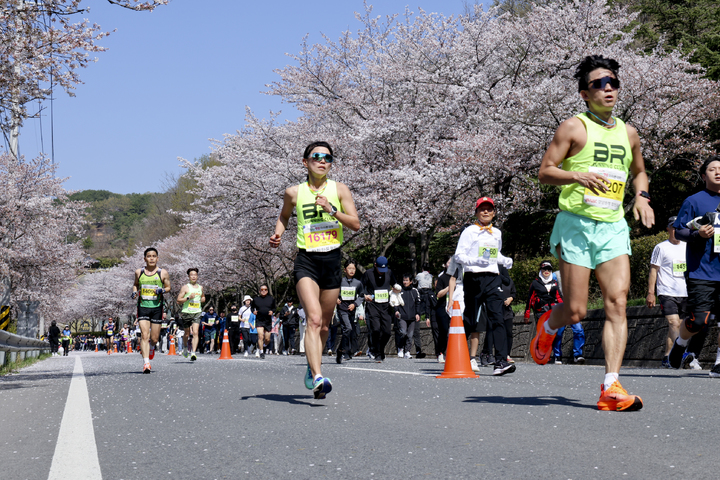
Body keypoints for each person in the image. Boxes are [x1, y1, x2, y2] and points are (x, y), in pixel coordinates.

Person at [534, 55, 654, 410]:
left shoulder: (628, 132)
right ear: (584, 93)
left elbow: (639, 172)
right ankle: (548, 326)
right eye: (600, 84)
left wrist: (642, 198)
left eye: (613, 82)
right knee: (575, 311)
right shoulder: (572, 128)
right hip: (576, 226)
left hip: (613, 227)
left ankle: (610, 386)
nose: (608, 89)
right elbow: (545, 171)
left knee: (617, 302)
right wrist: (577, 176)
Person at [269, 140, 360, 399]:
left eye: (328, 158)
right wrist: (277, 234)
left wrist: (332, 211)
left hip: (332, 260)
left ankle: (312, 366)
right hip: (306, 260)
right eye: (317, 156)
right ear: (305, 161)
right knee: (314, 319)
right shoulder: (294, 192)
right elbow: (284, 216)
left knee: (324, 326)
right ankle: (319, 376)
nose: (322, 161)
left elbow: (355, 224)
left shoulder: (340, 189)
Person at [668, 156, 720, 377]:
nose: (718, 172)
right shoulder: (694, 200)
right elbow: (679, 231)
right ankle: (680, 343)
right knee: (699, 320)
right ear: (703, 175)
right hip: (702, 270)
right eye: (712, 169)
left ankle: (719, 363)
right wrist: (698, 234)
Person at [453, 196, 515, 376]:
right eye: (482, 209)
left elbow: (496, 255)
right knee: (470, 320)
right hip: (473, 278)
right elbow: (459, 256)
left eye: (489, 209)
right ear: (476, 212)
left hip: (493, 278)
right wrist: (475, 261)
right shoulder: (469, 231)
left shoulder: (497, 233)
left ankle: (501, 361)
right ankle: (457, 355)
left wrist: (505, 260)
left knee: (498, 318)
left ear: (494, 213)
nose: (486, 212)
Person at [647, 216, 696, 368]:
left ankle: (667, 357)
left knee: (679, 326)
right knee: (673, 323)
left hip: (685, 292)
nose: (675, 230)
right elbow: (654, 270)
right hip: (667, 291)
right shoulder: (661, 248)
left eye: (678, 227)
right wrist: (651, 292)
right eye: (672, 227)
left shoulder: (688, 246)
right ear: (668, 229)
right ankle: (682, 354)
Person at [524, 260, 585, 364]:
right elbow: (530, 298)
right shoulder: (554, 276)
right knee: (556, 333)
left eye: (548, 269)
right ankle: (553, 356)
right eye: (545, 269)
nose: (547, 271)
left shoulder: (581, 274)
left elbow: (560, 295)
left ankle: (578, 355)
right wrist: (527, 313)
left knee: (578, 330)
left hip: (569, 308)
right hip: (546, 310)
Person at [132, 247, 171, 373]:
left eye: (154, 256)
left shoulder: (162, 273)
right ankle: (146, 363)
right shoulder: (139, 272)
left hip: (157, 308)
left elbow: (168, 287)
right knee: (144, 335)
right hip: (143, 307)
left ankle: (152, 348)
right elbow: (135, 284)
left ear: (157, 258)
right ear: (145, 259)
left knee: (154, 339)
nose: (151, 258)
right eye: (149, 256)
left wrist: (162, 290)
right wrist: (134, 292)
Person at [362, 256, 397, 363]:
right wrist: (364, 296)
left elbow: (395, 285)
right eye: (380, 270)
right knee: (376, 329)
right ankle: (377, 352)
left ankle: (381, 349)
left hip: (385, 306)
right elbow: (360, 287)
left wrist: (396, 289)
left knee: (387, 332)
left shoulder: (389, 273)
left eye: (384, 270)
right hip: (373, 305)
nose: (382, 272)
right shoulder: (368, 274)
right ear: (375, 265)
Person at [336, 261, 363, 364]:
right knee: (348, 328)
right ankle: (344, 351)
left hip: (351, 310)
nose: (352, 270)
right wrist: (335, 299)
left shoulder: (358, 283)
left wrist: (355, 304)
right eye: (350, 268)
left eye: (354, 268)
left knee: (349, 331)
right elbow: (333, 291)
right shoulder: (340, 281)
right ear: (345, 270)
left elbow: (361, 295)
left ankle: (343, 351)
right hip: (342, 309)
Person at [176, 268, 205, 361]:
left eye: (195, 275)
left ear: (197, 276)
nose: (193, 276)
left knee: (196, 332)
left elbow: (203, 296)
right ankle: (185, 347)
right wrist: (188, 297)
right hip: (186, 312)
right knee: (187, 333)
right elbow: (178, 301)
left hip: (197, 312)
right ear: (188, 276)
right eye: (191, 275)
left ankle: (193, 352)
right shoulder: (185, 287)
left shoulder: (200, 287)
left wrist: (203, 299)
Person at [394, 274, 421, 359]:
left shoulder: (415, 291)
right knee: (403, 332)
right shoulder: (399, 291)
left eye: (406, 280)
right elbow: (395, 301)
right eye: (404, 280)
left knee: (410, 335)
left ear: (411, 281)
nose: (405, 282)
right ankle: (400, 348)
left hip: (412, 317)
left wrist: (417, 313)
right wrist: (396, 311)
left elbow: (418, 303)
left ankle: (407, 351)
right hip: (402, 316)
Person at [433, 258, 453, 363]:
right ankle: (440, 352)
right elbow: (438, 294)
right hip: (443, 307)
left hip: (456, 308)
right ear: (445, 265)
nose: (451, 264)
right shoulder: (442, 278)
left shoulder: (459, 277)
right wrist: (449, 287)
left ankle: (454, 353)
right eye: (449, 262)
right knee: (444, 330)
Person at [251, 286, 275, 359]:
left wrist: (273, 311)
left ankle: (263, 345)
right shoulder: (256, 299)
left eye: (265, 290)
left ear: (267, 291)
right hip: (259, 320)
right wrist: (253, 311)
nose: (263, 291)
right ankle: (261, 352)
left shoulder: (271, 299)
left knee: (267, 339)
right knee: (260, 336)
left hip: (268, 320)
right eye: (262, 290)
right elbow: (252, 308)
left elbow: (274, 307)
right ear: (259, 291)